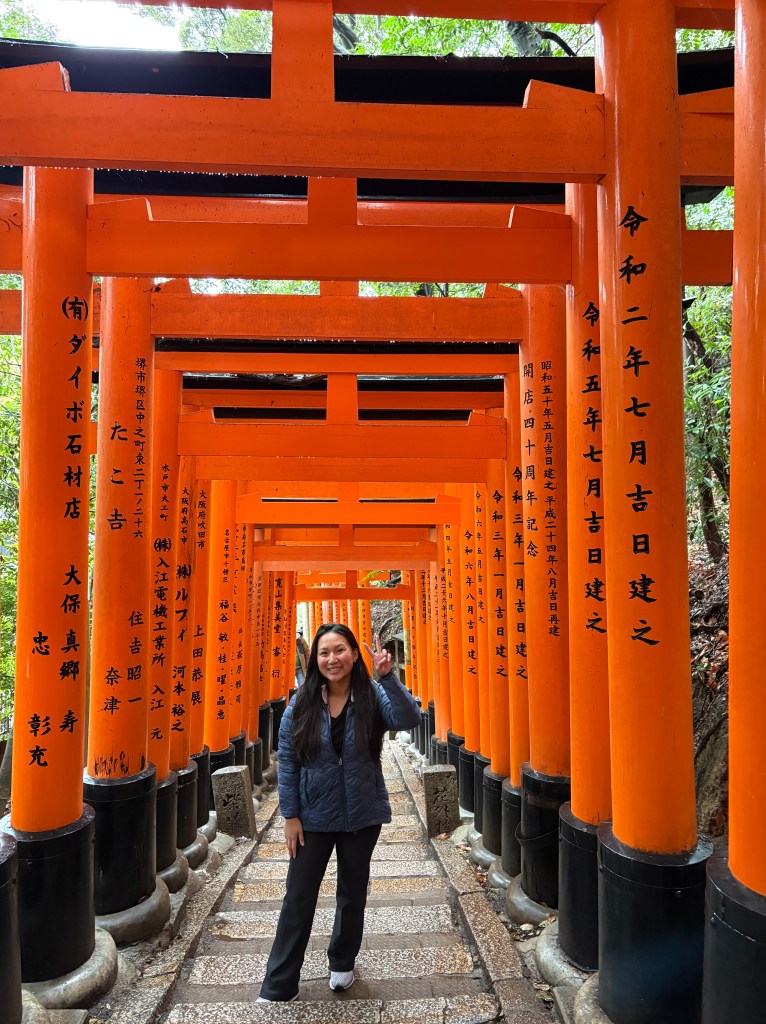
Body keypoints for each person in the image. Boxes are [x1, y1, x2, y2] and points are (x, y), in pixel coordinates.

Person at [257, 622, 422, 1003]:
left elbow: (408, 719)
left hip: (362, 813)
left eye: (340, 650)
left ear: (354, 654)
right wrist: (290, 816)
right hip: (312, 816)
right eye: (324, 652)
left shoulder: (372, 694)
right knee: (298, 895)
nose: (333, 659)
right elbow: (288, 760)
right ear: (315, 659)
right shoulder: (300, 703)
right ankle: (280, 983)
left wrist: (389, 677)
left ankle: (342, 963)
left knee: (352, 891)